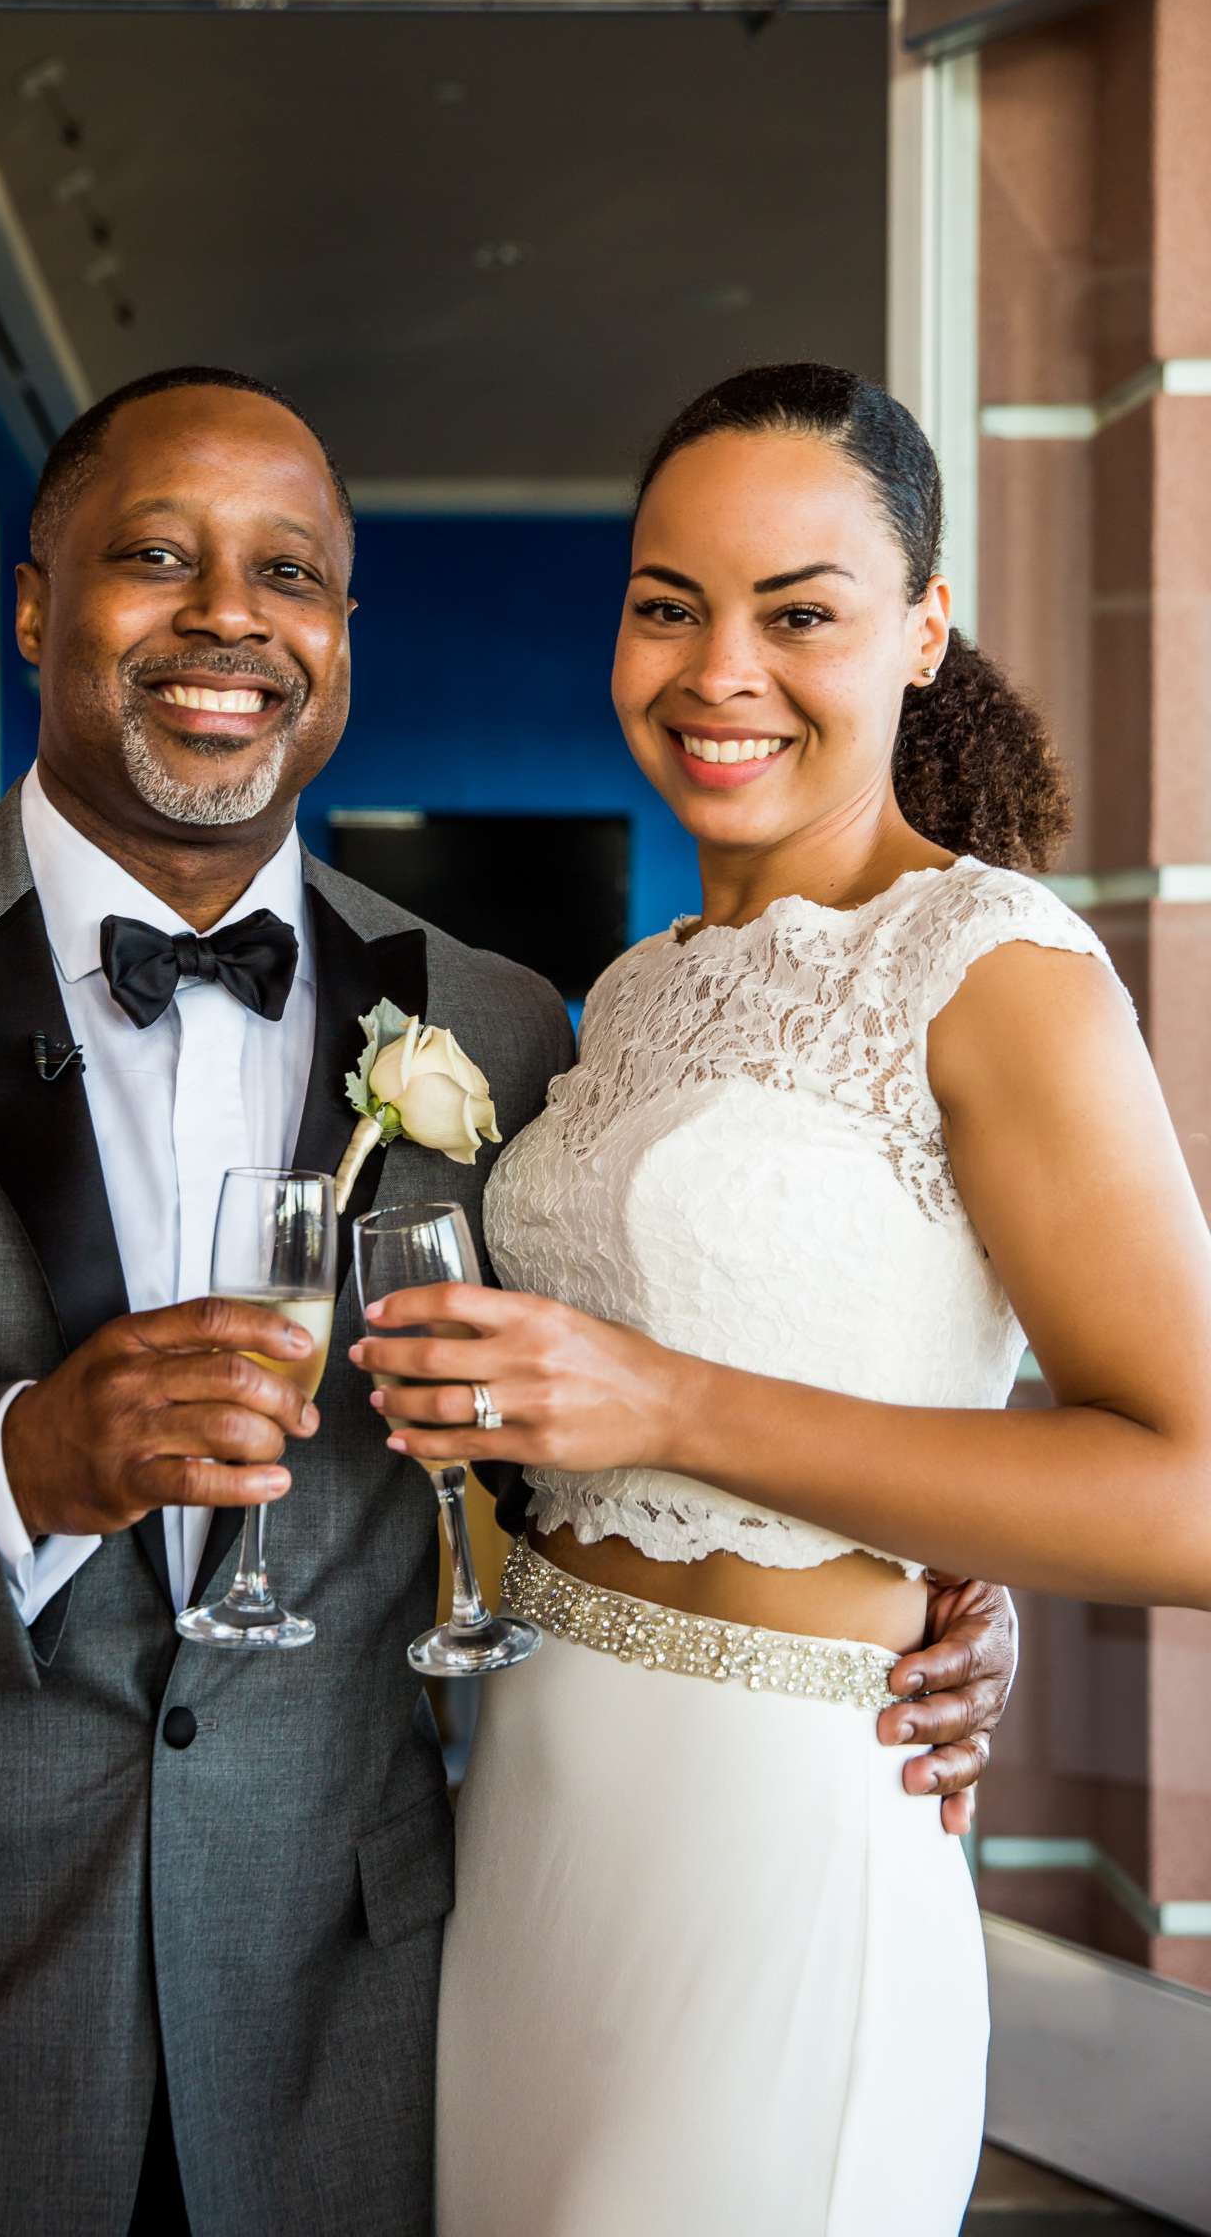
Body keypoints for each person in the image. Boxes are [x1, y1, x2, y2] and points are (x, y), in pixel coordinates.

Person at [0, 367, 1006, 2237]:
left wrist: (887, 1584)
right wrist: (23, 1465)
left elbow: (570, 1438)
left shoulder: (505, 1021)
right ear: (36, 605)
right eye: (155, 558)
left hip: (356, 2022)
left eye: (289, 574)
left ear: (342, 637)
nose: (226, 620)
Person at [355, 363, 1211, 2237]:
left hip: (785, 1819)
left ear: (922, 634)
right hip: (543, 1799)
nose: (717, 669)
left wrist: (670, 1412)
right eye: (670, 604)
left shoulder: (997, 970)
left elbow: (1191, 1490)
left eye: (799, 612)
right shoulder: (642, 986)